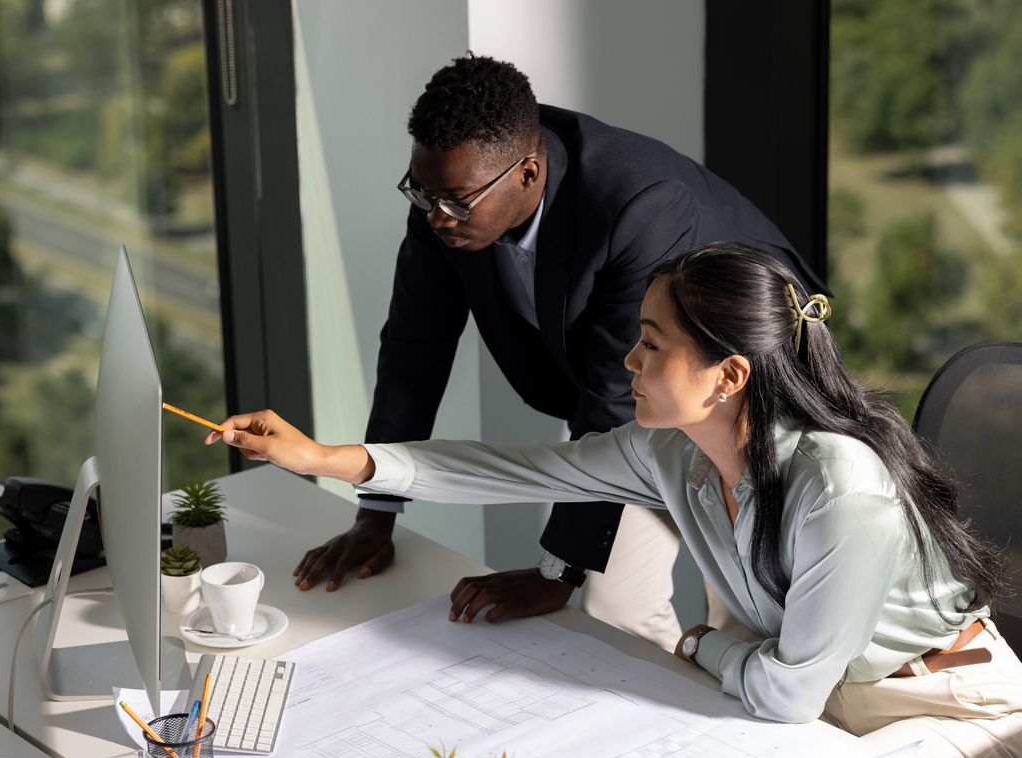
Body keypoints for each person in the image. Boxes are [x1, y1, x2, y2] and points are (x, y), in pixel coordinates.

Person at [207, 242, 1022, 758]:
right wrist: (327, 460)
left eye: (651, 344)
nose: (627, 362)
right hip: (813, 699)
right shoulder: (668, 453)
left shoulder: (837, 486)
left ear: (727, 376)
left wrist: (697, 643)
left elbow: (787, 695)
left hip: (938, 713)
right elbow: (514, 468)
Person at [295, 54, 827, 651]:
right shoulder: (450, 192)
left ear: (526, 173)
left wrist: (557, 571)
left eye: (456, 202)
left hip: (744, 383)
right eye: (423, 193)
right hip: (647, 388)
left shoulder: (637, 205)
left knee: (742, 615)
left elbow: (610, 396)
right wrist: (376, 513)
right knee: (615, 608)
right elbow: (414, 351)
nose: (438, 218)